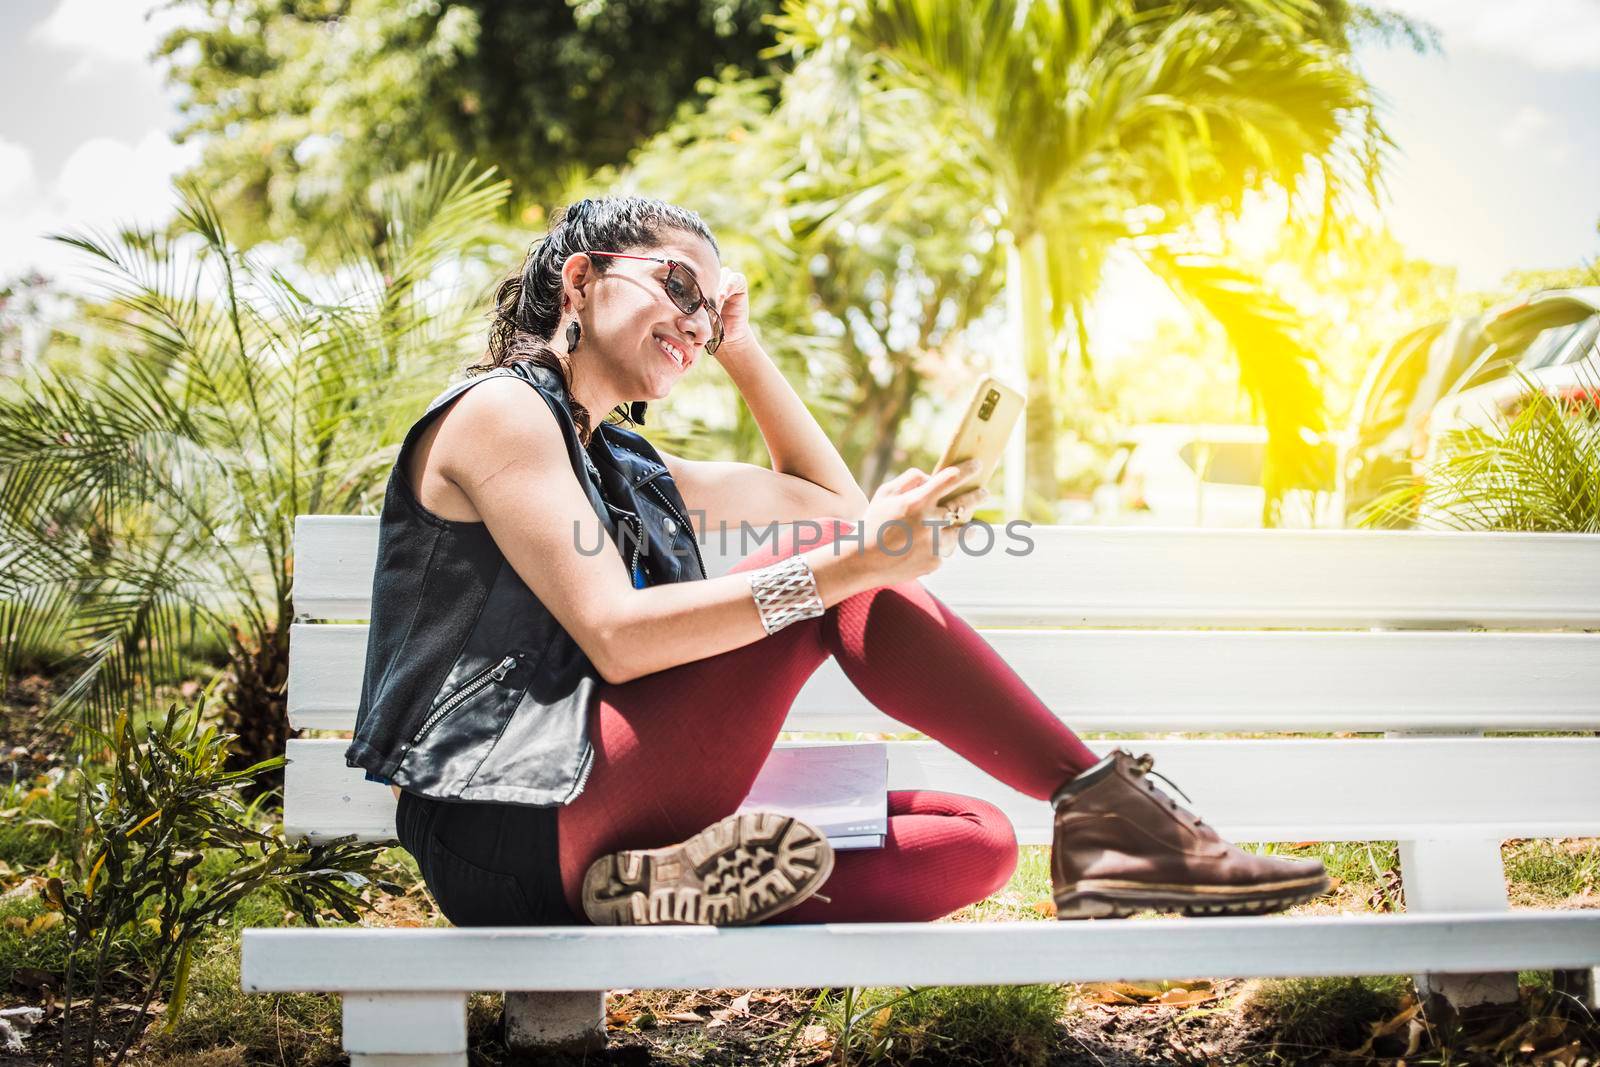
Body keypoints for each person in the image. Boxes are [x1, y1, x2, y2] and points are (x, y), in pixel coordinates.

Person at [345, 195, 1329, 929]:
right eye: (674, 287)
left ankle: (661, 888)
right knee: (837, 565)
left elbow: (830, 510)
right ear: (579, 280)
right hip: (502, 818)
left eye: (708, 312)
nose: (692, 323)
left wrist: (745, 347)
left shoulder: (626, 458)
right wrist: (852, 560)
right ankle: (1110, 812)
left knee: (972, 840)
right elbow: (618, 633)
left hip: (599, 814)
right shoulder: (504, 413)